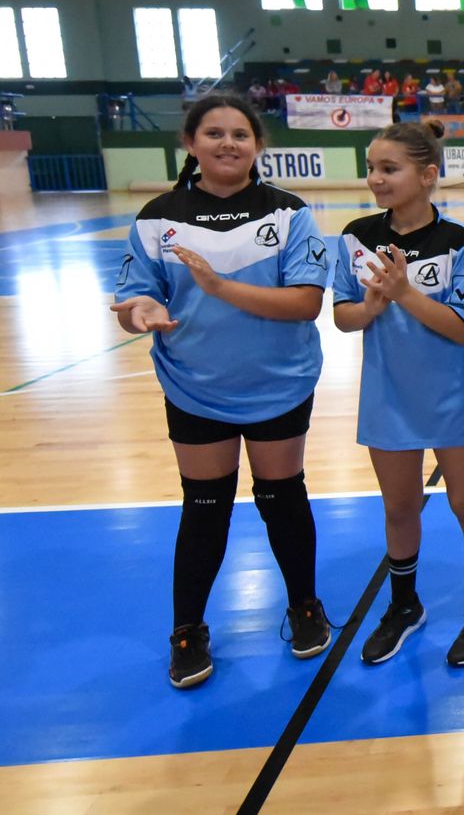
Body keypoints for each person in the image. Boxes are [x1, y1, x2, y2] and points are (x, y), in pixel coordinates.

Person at [111, 94, 332, 689]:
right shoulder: (159, 217)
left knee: (283, 496)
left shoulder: (288, 213)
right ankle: (187, 629)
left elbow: (306, 303)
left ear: (258, 145)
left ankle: (305, 606)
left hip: (278, 385)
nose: (228, 143)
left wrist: (216, 284)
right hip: (194, 385)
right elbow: (134, 297)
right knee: (203, 508)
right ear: (191, 143)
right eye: (214, 133)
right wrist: (142, 313)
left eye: (240, 133)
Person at [333, 121, 464, 667]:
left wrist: (403, 292)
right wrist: (371, 307)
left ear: (428, 176)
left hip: (451, 396)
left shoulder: (459, 242)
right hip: (388, 398)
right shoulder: (356, 236)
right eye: (372, 168)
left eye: (390, 169)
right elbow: (342, 317)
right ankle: (404, 605)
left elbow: (463, 328)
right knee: (399, 507)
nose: (376, 179)